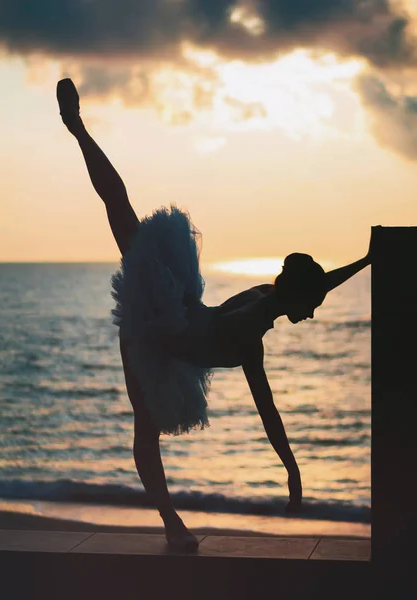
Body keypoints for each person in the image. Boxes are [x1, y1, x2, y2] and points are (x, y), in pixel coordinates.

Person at [56, 78, 372, 552]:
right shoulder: (252, 334)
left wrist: (367, 261)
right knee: (145, 426)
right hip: (163, 323)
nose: (311, 317)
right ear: (296, 300)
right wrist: (292, 469)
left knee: (121, 209)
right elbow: (269, 413)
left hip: (179, 312)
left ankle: (78, 130)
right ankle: (170, 523)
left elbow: (316, 284)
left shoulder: (266, 294)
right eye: (311, 308)